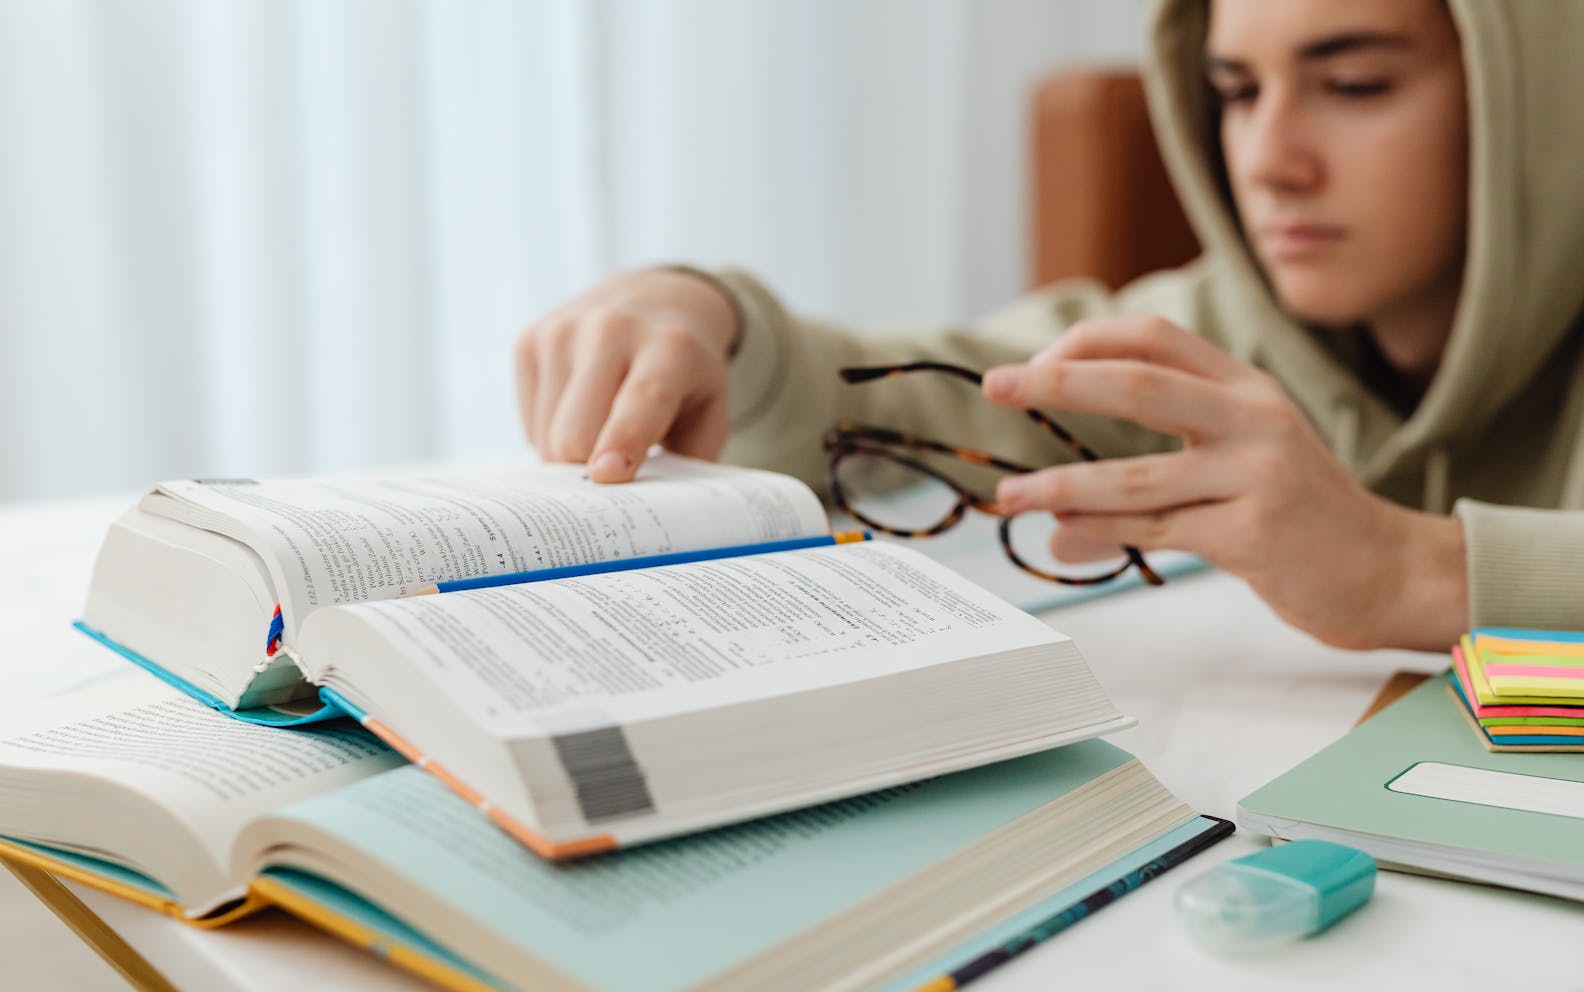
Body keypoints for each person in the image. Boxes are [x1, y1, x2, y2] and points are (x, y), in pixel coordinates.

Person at [514, 0, 1584, 652]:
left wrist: (1407, 570)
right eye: (1237, 90)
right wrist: (712, 315)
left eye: (1354, 83)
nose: (1267, 159)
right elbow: (942, 388)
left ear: (1535, 95)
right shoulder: (1221, 324)